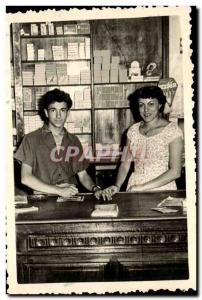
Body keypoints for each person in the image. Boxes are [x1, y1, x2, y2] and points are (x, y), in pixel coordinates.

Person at [100, 85, 183, 201]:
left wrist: (142, 187)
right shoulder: (132, 131)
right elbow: (124, 164)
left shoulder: (172, 131)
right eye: (141, 105)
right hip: (134, 189)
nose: (146, 110)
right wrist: (117, 186)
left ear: (159, 105)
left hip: (162, 191)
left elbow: (175, 172)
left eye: (151, 104)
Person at [15, 88, 101, 198]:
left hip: (70, 199)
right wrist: (59, 190)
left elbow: (83, 175)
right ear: (46, 112)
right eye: (53, 110)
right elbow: (26, 178)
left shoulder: (73, 140)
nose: (58, 116)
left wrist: (95, 189)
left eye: (63, 110)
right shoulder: (31, 139)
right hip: (43, 200)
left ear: (68, 113)